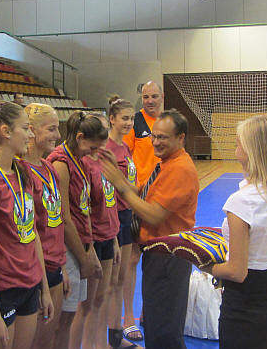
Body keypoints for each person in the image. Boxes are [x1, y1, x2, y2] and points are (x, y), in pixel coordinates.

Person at [200, 115, 267, 349]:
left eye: (238, 144)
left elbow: (237, 272)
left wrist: (202, 264)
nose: (235, 150)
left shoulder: (242, 201)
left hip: (244, 310)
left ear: (250, 151)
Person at [99, 109, 198, 349]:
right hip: (159, 255)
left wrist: (120, 185)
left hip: (169, 256)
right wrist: (117, 175)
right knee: (157, 323)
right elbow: (141, 192)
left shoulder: (179, 169)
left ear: (181, 138)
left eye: (163, 137)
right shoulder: (166, 164)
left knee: (164, 329)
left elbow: (153, 214)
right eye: (154, 136)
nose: (155, 142)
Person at [0, 102, 53, 349]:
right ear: (6, 132)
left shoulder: (22, 171)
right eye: (25, 128)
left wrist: (44, 286)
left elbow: (32, 233)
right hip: (0, 289)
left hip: (29, 283)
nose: (30, 135)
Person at [47, 111, 106, 349]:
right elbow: (64, 218)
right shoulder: (61, 163)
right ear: (80, 137)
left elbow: (84, 209)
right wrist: (83, 258)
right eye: (92, 147)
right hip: (67, 248)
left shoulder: (78, 160)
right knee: (60, 320)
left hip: (80, 244)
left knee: (69, 317)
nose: (94, 153)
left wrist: (90, 249)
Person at [21, 103, 68, 349]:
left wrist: (63, 265)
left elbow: (56, 221)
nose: (58, 135)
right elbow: (29, 229)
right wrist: (41, 282)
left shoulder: (49, 167)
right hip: (35, 270)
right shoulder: (20, 172)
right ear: (31, 130)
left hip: (55, 264)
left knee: (48, 340)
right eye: (51, 129)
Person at [119, 80, 163, 343]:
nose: (150, 101)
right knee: (132, 259)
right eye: (146, 97)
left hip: (162, 200)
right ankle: (127, 318)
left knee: (157, 257)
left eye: (154, 96)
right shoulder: (135, 123)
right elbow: (124, 158)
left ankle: (149, 311)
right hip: (138, 200)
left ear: (162, 96)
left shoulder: (168, 122)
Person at [77, 113, 119, 349]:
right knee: (86, 304)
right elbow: (84, 209)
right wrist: (89, 246)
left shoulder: (105, 159)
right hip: (93, 239)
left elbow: (111, 203)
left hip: (108, 235)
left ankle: (97, 344)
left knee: (101, 298)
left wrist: (114, 240)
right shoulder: (84, 163)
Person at [104, 97, 141, 349]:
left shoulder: (125, 147)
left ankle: (116, 336)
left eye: (131, 118)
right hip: (113, 217)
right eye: (124, 118)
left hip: (127, 215)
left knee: (121, 278)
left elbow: (129, 183)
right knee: (110, 282)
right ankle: (108, 337)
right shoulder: (107, 148)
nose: (129, 123)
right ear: (112, 119)